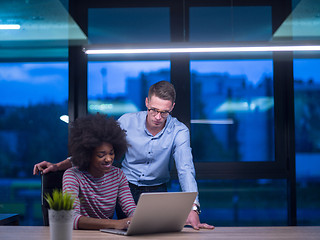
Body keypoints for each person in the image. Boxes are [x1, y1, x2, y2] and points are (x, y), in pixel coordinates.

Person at [34, 81, 214, 230]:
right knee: (125, 229)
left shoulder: (179, 130)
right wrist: (58, 166)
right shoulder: (127, 121)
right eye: (154, 110)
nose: (158, 117)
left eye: (164, 112)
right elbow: (96, 148)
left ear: (172, 107)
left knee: (152, 232)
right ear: (146, 102)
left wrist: (193, 208)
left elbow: (185, 169)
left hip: (157, 190)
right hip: (127, 185)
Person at [62, 113, 136, 230]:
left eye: (111, 153)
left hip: (106, 235)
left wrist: (140, 219)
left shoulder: (118, 175)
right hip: (80, 236)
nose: (108, 159)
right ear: (87, 155)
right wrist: (116, 224)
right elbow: (70, 218)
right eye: (101, 155)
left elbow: (131, 208)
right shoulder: (72, 176)